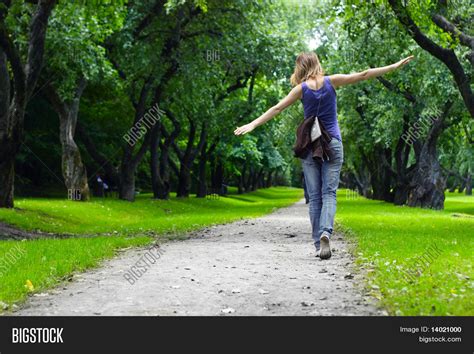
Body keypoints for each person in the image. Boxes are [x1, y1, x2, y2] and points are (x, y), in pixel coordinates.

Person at [234, 52, 414, 259]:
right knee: (330, 193)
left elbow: (277, 108)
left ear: (300, 68)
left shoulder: (300, 90)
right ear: (317, 64)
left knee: (315, 196)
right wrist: (393, 66)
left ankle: (318, 244)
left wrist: (253, 124)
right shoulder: (331, 81)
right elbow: (364, 74)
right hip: (333, 143)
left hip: (310, 146)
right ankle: (326, 233)